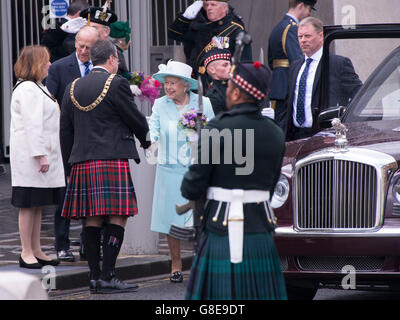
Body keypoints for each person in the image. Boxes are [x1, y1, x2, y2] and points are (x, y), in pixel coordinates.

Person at [181, 61, 287, 300]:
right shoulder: (275, 133)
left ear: (237, 92)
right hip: (260, 229)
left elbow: (192, 187)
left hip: (221, 229)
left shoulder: (218, 127)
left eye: (229, 85)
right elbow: (269, 188)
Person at [60, 39, 151, 294]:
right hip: (111, 158)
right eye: (118, 59)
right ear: (111, 58)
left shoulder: (72, 86)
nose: (118, 63)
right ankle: (109, 276)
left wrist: (69, 164)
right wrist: (146, 140)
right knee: (117, 217)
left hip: (81, 160)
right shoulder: (117, 83)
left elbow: (65, 131)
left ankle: (94, 277)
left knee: (91, 219)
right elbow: (134, 118)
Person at [149, 60, 215, 283]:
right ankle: (176, 263)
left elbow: (213, 132)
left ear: (186, 85)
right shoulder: (159, 104)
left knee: (200, 219)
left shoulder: (203, 103)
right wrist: (152, 142)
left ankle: (201, 262)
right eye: (166, 83)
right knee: (171, 219)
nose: (168, 87)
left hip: (196, 168)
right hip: (169, 169)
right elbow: (153, 130)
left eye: (172, 83)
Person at [46, 26, 100, 262]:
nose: (84, 51)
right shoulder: (59, 67)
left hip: (94, 139)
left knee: (92, 196)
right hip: (67, 139)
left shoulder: (102, 68)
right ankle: (62, 244)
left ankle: (88, 246)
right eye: (81, 46)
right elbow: (50, 102)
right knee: (64, 194)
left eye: (89, 47)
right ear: (75, 42)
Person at [10, 45, 65, 269]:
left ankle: (36, 248)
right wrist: (41, 155)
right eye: (46, 61)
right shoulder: (28, 89)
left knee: (38, 204)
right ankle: (26, 251)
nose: (50, 65)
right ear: (35, 64)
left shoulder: (37, 87)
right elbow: (33, 125)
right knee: (28, 204)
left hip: (41, 154)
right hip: (32, 157)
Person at [282, 17, 362, 141]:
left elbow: (360, 94)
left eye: (307, 36)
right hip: (295, 135)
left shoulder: (338, 64)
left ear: (321, 36)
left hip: (325, 135)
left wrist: (344, 117)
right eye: (300, 37)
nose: (303, 40)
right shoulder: (295, 66)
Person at [168, 0, 252, 82]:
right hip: (200, 81)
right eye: (207, 5)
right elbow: (174, 34)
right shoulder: (200, 27)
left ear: (224, 8)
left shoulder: (234, 30)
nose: (209, 8)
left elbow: (244, 65)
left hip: (223, 84)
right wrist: (185, 18)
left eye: (213, 5)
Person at [268, 0, 317, 128]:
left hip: (279, 84)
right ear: (301, 6)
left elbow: (270, 61)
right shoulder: (291, 28)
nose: (309, 13)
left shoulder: (279, 26)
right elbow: (298, 61)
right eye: (309, 9)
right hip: (287, 86)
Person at [203, 48, 232, 115]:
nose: (230, 67)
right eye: (225, 65)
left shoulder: (235, 85)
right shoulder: (213, 96)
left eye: (230, 64)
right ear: (212, 70)